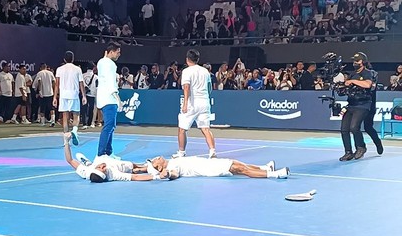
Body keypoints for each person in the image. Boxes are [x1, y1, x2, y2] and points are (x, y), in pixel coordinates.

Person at [62, 134, 162, 182]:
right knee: (132, 167)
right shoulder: (113, 175)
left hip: (100, 156)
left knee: (137, 166)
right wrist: (157, 177)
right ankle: (147, 168)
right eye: (104, 170)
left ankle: (87, 162)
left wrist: (66, 142)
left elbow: (69, 160)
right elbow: (135, 178)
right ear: (106, 174)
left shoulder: (87, 172)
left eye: (99, 167)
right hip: (115, 164)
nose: (103, 166)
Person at [173, 49, 216, 159]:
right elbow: (209, 88)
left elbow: (186, 87)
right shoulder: (205, 71)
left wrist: (185, 103)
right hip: (204, 102)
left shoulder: (187, 71)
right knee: (205, 129)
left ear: (187, 59)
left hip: (192, 103)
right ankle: (212, 151)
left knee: (182, 129)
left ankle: (181, 152)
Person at [339, 52, 374, 162]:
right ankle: (348, 152)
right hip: (351, 104)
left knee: (354, 127)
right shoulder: (352, 74)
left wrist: (353, 81)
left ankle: (361, 147)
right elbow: (347, 88)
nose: (355, 63)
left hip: (363, 105)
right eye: (354, 61)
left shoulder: (368, 73)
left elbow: (367, 84)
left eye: (357, 61)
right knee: (344, 129)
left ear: (362, 62)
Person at [151, 155, 289, 180]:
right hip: (211, 169)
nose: (157, 157)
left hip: (210, 163)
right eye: (155, 160)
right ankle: (276, 174)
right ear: (159, 167)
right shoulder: (172, 168)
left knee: (238, 164)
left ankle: (265, 168)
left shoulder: (173, 160)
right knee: (242, 170)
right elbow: (173, 174)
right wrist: (167, 175)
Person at [54, 51, 87, 146]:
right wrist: (84, 96)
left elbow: (57, 84)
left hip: (63, 95)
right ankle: (75, 131)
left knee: (65, 117)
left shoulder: (59, 69)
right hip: (74, 95)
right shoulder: (77, 69)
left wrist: (55, 98)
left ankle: (66, 140)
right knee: (76, 115)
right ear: (73, 59)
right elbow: (81, 83)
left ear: (64, 59)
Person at [96, 42, 122, 156]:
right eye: (118, 52)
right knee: (109, 127)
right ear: (111, 52)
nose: (119, 54)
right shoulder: (110, 64)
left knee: (110, 126)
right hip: (110, 99)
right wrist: (118, 99)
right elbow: (111, 82)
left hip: (102, 99)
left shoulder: (101, 62)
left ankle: (107, 153)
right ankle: (102, 154)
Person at [363, 64, 383, 155]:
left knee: (368, 127)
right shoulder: (357, 75)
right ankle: (360, 148)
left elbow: (371, 88)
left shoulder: (372, 74)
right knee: (354, 127)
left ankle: (378, 143)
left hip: (370, 105)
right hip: (357, 105)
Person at [83, 63, 97, 127]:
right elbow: (97, 86)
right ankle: (89, 122)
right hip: (92, 94)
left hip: (84, 94)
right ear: (93, 68)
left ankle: (84, 123)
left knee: (84, 108)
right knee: (91, 108)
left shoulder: (83, 75)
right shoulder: (96, 77)